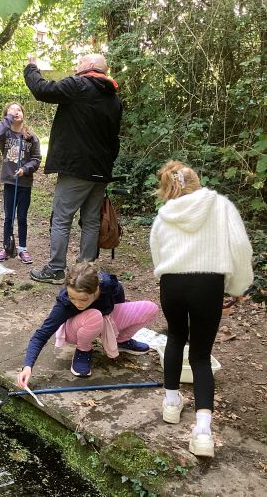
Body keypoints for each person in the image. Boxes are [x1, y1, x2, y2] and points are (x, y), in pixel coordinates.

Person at [150, 160, 254, 458]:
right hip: (208, 284)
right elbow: (241, 247)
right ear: (196, 181)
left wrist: (167, 275)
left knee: (175, 338)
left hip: (172, 283)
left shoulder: (164, 215)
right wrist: (237, 286)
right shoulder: (221, 206)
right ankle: (203, 432)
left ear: (167, 187)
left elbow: (157, 251)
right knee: (200, 354)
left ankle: (171, 403)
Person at [23, 54, 122, 284]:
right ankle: (85, 271)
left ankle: (56, 269)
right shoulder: (114, 99)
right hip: (101, 171)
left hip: (77, 169)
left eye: (80, 62)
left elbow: (42, 90)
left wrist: (31, 68)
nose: (76, 66)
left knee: (61, 218)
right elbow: (114, 139)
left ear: (90, 66)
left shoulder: (79, 85)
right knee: (91, 220)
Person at [17, 263, 158, 387]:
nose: (77, 304)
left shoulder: (107, 284)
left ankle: (121, 340)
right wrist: (27, 366)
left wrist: (116, 322)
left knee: (150, 308)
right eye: (72, 297)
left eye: (83, 299)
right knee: (94, 315)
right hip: (76, 328)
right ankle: (83, 350)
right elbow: (41, 335)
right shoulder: (64, 303)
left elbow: (118, 293)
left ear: (96, 289)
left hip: (104, 318)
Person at [0, 102, 41, 264]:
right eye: (12, 111)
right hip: (9, 182)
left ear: (23, 114)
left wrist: (25, 169)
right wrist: (8, 119)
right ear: (6, 116)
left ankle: (22, 249)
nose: (16, 112)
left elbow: (36, 159)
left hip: (25, 184)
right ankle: (7, 247)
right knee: (8, 217)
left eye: (19, 110)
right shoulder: (4, 135)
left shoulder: (31, 136)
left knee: (22, 217)